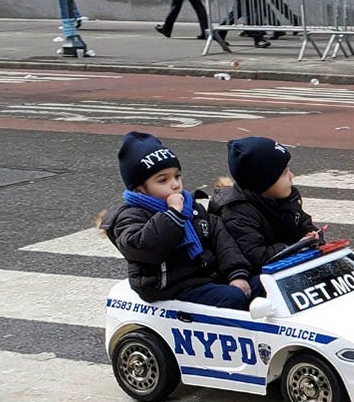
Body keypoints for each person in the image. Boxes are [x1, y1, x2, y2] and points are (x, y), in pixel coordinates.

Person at [102, 132, 255, 309]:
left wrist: (237, 273)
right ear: (139, 190)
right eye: (163, 180)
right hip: (169, 286)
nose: (175, 184)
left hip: (202, 276)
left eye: (177, 176)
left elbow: (221, 241)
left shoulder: (190, 206)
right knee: (232, 298)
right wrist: (173, 214)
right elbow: (147, 247)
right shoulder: (130, 216)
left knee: (260, 284)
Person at [209, 137, 318, 273]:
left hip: (287, 264)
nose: (292, 176)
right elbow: (257, 258)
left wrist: (312, 237)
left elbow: (303, 222)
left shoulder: (286, 199)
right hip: (260, 276)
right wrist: (296, 247)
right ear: (263, 182)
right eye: (284, 173)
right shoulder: (237, 214)